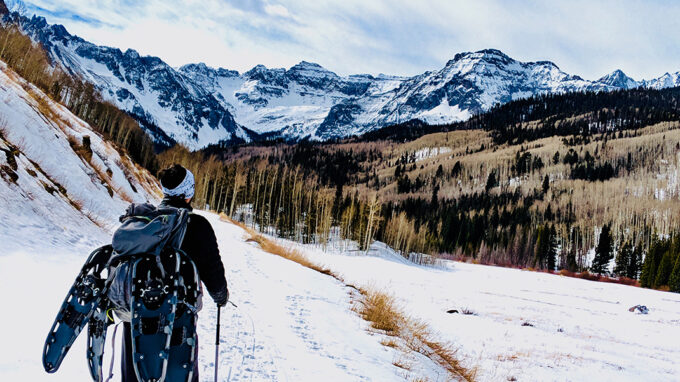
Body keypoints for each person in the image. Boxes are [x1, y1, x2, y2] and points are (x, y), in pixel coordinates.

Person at [121, 164, 229, 382]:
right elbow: (213, 271)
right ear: (188, 193)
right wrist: (221, 297)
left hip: (136, 322)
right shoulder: (198, 226)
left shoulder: (145, 223)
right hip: (177, 322)